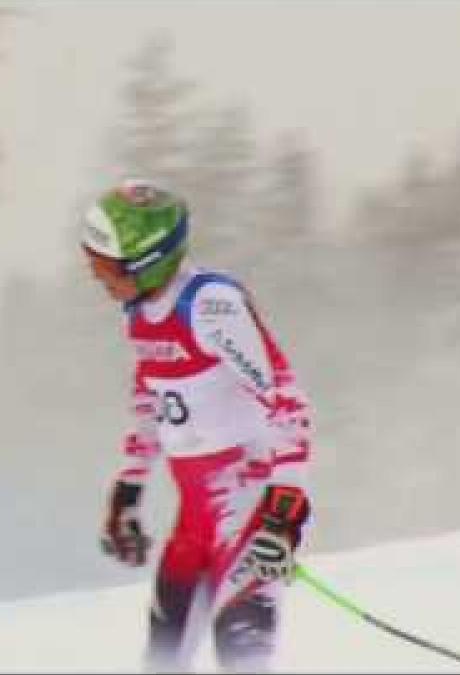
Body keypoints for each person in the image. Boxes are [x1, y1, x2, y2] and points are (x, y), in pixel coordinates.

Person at [81, 178, 314, 673]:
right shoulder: (141, 313)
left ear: (147, 260)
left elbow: (286, 401)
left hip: (249, 511)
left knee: (242, 658)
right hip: (196, 520)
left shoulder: (209, 306)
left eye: (105, 266)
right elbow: (150, 399)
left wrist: (284, 511)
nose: (97, 277)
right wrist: (129, 488)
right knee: (162, 662)